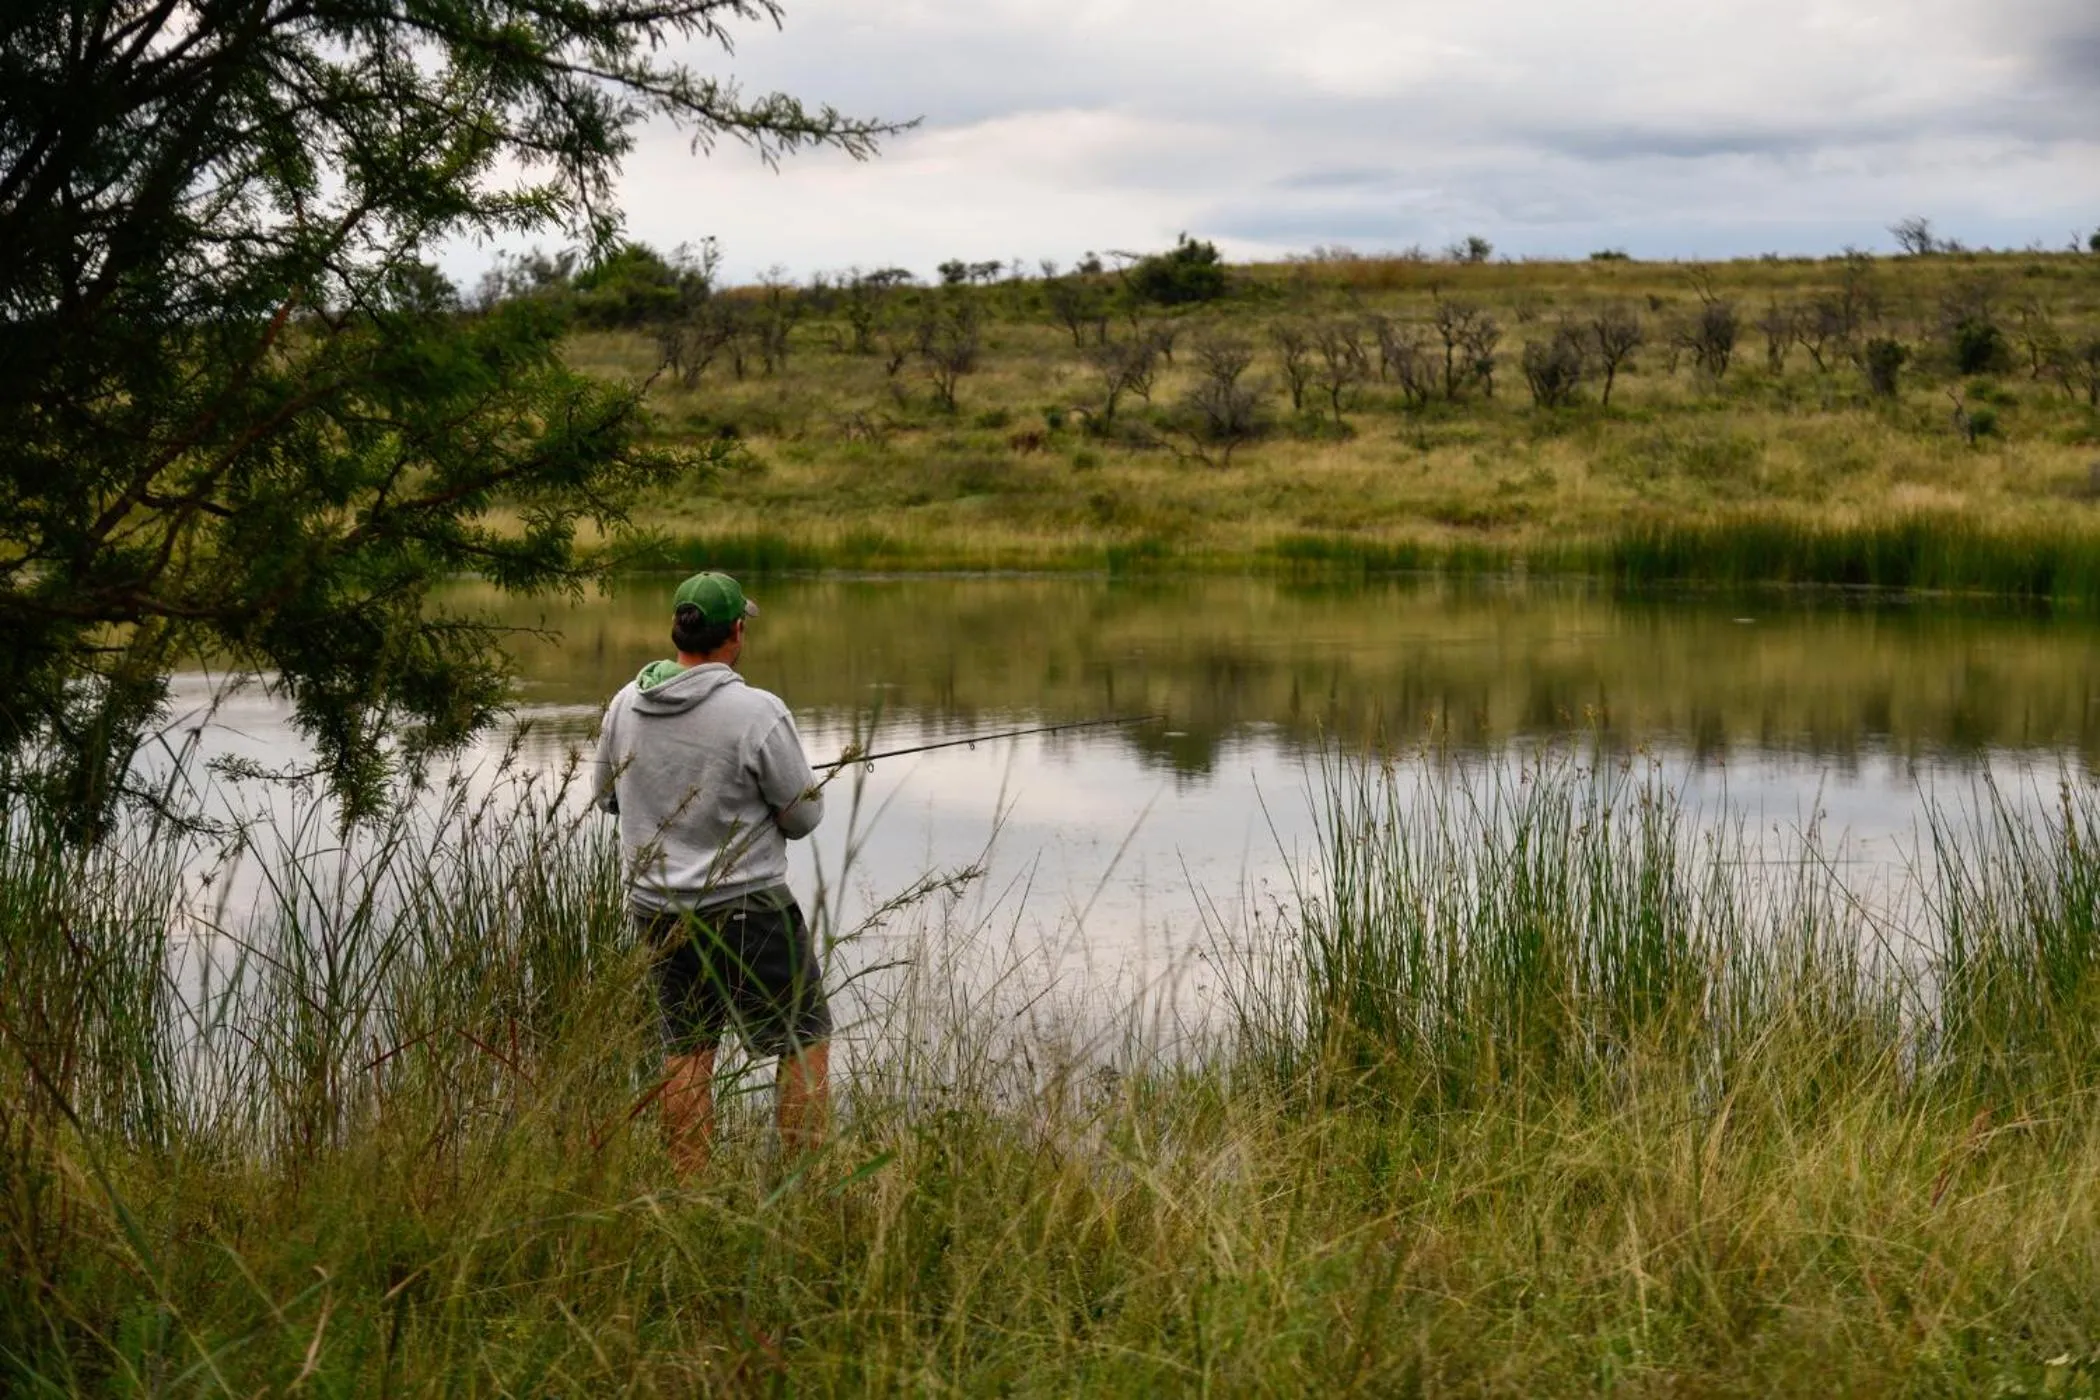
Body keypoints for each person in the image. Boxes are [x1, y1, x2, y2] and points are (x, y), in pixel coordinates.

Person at [591, 571, 828, 1176]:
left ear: (679, 628)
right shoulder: (758, 712)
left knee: (687, 1051)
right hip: (749, 909)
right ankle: (800, 1189)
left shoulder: (624, 704)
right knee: (802, 1040)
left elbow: (608, 798)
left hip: (656, 911)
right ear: (737, 631)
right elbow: (803, 818)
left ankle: (688, 1192)